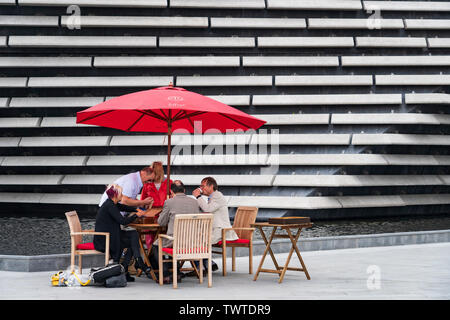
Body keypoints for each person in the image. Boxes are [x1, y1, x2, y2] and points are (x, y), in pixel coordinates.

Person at [93, 184, 151, 282]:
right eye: (121, 193)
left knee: (134, 236)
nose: (122, 195)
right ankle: (136, 263)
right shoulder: (110, 206)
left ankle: (130, 266)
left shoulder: (111, 203)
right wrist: (136, 215)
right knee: (133, 239)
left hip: (112, 236)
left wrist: (136, 209)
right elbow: (123, 221)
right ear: (116, 195)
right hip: (105, 240)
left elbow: (123, 207)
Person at [150, 180, 200, 284]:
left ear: (171, 191)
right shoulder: (194, 202)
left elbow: (161, 222)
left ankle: (166, 274)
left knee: (155, 245)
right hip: (192, 241)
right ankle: (176, 272)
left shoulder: (169, 202)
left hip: (175, 240)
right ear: (184, 190)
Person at [191, 176, 238, 274]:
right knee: (196, 239)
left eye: (203, 186)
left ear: (211, 186)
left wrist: (198, 197)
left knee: (195, 242)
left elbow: (208, 209)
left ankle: (201, 268)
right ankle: (208, 263)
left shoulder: (217, 196)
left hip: (221, 231)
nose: (201, 188)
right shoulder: (211, 197)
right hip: (214, 230)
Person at [140, 161, 173, 248]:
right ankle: (152, 258)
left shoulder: (169, 183)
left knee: (165, 237)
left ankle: (163, 257)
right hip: (151, 215)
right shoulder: (147, 184)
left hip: (165, 214)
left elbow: (174, 198)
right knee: (150, 237)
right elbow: (142, 201)